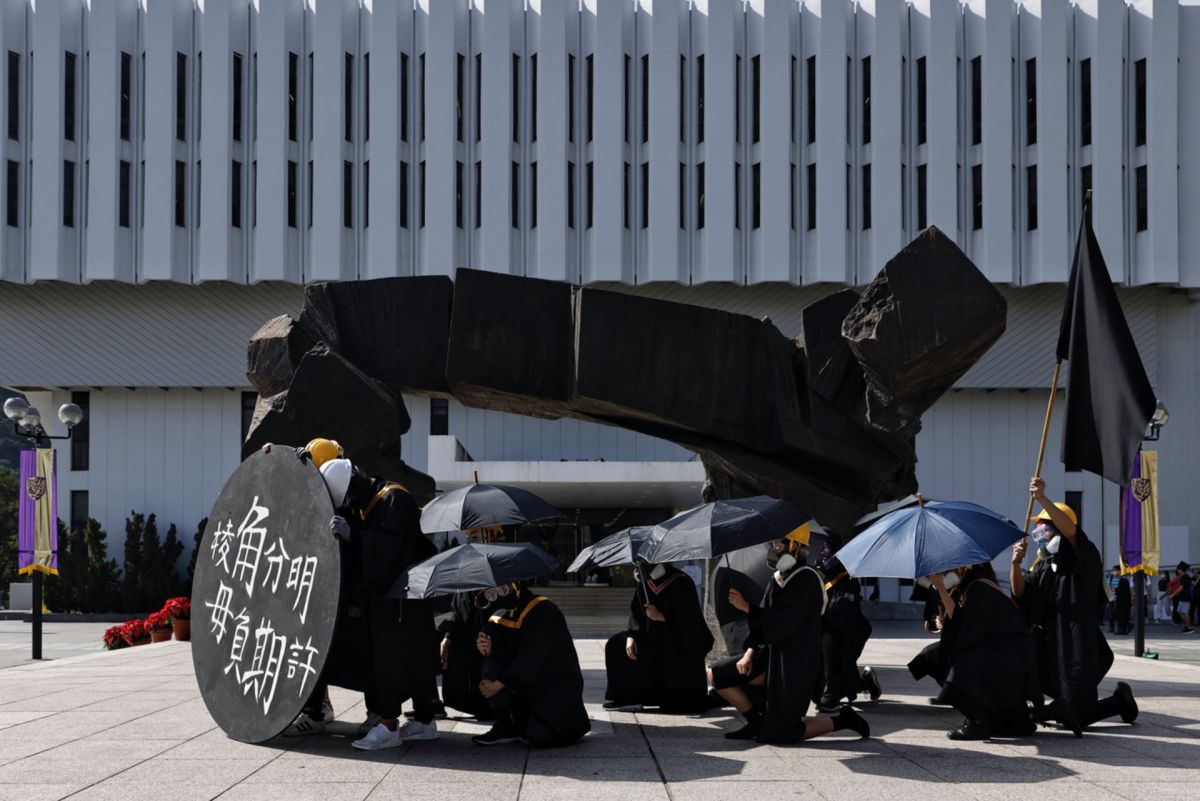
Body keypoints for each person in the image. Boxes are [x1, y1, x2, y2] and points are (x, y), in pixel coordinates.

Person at [308, 457, 441, 751]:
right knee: (410, 659)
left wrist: (354, 535)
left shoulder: (394, 497)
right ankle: (425, 721)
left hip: (400, 601)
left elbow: (390, 549)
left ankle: (389, 725)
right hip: (395, 600)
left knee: (391, 662)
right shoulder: (375, 502)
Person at [707, 525, 870, 744]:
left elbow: (786, 623)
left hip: (794, 663)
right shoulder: (777, 578)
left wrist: (748, 608)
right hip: (769, 657)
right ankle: (755, 721)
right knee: (716, 674)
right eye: (772, 544)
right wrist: (749, 651)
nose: (773, 549)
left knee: (779, 735)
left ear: (794, 546)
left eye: (778, 544)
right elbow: (762, 622)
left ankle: (842, 720)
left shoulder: (808, 579)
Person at [1010, 476, 1138, 736]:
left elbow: (1070, 532)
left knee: (1072, 707)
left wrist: (1043, 498)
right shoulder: (1045, 565)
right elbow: (1022, 592)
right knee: (1076, 711)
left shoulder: (1083, 554)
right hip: (1054, 640)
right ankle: (1120, 701)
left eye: (1044, 528)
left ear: (1058, 530)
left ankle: (1113, 702)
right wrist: (1014, 564)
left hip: (1079, 640)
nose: (1039, 535)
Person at [471, 583, 591, 747]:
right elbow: (506, 652)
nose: (498, 596)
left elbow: (532, 656)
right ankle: (506, 725)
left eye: (503, 590)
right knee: (490, 665)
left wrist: (496, 685)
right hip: (522, 686)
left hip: (552, 686)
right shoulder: (499, 614)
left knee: (539, 736)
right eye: (492, 593)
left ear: (515, 586)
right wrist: (488, 649)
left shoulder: (543, 610)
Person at [927, 563, 1037, 740]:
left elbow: (968, 630)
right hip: (1006, 647)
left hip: (1011, 651)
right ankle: (998, 720)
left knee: (965, 662)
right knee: (956, 656)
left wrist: (940, 587)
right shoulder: (970, 587)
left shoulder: (979, 587)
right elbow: (960, 621)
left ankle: (977, 723)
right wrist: (942, 611)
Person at [603, 557, 714, 713]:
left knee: (671, 649)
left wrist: (662, 616)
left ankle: (673, 699)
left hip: (677, 636)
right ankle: (627, 698)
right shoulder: (644, 583)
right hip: (650, 634)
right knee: (616, 645)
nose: (640, 568)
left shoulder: (681, 581)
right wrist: (632, 636)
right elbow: (636, 614)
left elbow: (690, 619)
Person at [815, 535, 881, 711]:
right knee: (841, 673)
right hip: (827, 629)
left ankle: (832, 693)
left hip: (850, 630)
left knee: (838, 664)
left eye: (826, 547)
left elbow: (844, 606)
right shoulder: (816, 572)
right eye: (820, 548)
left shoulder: (847, 575)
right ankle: (866, 681)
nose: (822, 552)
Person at [906, 578, 952, 705]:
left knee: (930, 656)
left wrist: (931, 585)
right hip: (952, 636)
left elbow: (957, 611)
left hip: (965, 640)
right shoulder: (939, 585)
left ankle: (950, 693)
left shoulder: (957, 581)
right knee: (928, 658)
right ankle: (949, 692)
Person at [1169, 562, 1193, 633]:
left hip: (1185, 597)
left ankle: (1189, 628)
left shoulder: (1184, 577)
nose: (1177, 571)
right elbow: (1192, 584)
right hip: (1183, 597)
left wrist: (1173, 595)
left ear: (1181, 570)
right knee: (1179, 611)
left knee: (1185, 612)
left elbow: (1181, 588)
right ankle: (1187, 626)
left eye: (1178, 569)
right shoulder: (1185, 577)